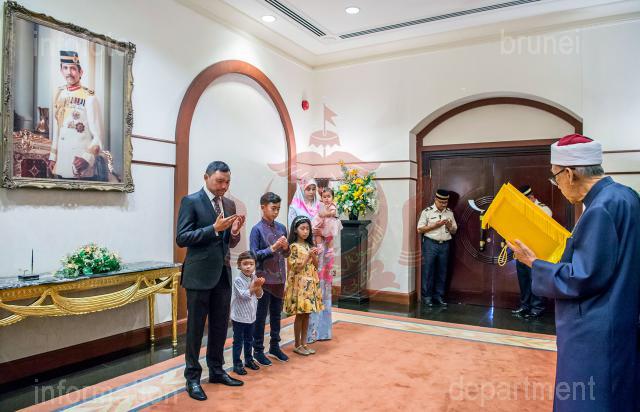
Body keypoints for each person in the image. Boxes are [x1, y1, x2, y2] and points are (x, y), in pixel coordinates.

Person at [508, 134, 640, 411]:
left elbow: (582, 278)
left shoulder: (600, 209)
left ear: (569, 173)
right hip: (623, 315)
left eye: (555, 177)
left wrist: (534, 262)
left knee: (587, 397)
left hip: (595, 328)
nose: (557, 185)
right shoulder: (626, 196)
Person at [176, 161, 246, 401]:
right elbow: (182, 237)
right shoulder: (191, 201)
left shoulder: (229, 204)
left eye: (227, 182)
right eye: (219, 181)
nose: (224, 186)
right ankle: (192, 378)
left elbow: (228, 243)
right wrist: (213, 229)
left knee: (219, 326)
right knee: (195, 329)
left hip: (222, 274)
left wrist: (233, 233)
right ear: (206, 177)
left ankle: (216, 370)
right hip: (198, 275)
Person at [49, 51, 104, 180]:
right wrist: (53, 157)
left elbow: (98, 136)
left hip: (80, 164)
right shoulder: (59, 94)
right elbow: (57, 129)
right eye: (65, 68)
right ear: (61, 71)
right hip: (62, 162)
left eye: (73, 68)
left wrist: (87, 158)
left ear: (81, 72)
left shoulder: (89, 97)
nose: (69, 72)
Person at [250, 192, 290, 366]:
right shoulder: (256, 229)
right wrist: (272, 248)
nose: (276, 212)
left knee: (276, 314)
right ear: (263, 207)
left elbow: (286, 254)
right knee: (260, 316)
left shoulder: (282, 228)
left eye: (278, 209)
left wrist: (286, 248)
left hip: (280, 278)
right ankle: (258, 350)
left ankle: (275, 346)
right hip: (264, 280)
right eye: (273, 208)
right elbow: (253, 255)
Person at [512, 184, 552, 319]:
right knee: (523, 281)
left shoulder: (543, 209)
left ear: (532, 197)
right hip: (521, 252)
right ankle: (525, 306)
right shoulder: (520, 210)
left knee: (535, 281)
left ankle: (537, 308)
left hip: (536, 253)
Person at [284, 215, 324, 356]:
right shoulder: (293, 247)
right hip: (299, 285)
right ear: (295, 230)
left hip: (310, 283)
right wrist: (308, 256)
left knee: (307, 314)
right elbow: (296, 267)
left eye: (307, 228)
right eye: (302, 228)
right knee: (300, 315)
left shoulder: (309, 246)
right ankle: (297, 344)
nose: (305, 231)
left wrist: (313, 255)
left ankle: (304, 343)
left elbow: (316, 265)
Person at [308, 187, 341, 342]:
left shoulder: (329, 208)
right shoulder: (317, 207)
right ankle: (311, 332)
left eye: (329, 196)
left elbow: (331, 223)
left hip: (325, 252)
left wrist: (324, 216)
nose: (326, 199)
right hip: (313, 249)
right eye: (324, 196)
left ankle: (322, 331)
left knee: (324, 287)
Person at [417, 189, 457, 307]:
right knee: (428, 270)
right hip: (430, 244)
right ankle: (427, 297)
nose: (444, 205)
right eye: (441, 202)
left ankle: (438, 296)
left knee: (442, 271)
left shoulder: (449, 213)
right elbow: (419, 229)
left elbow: (454, 231)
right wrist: (435, 225)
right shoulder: (427, 212)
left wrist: (449, 226)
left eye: (446, 202)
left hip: (445, 245)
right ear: (435, 200)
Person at [230, 251, 265, 376]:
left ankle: (249, 360)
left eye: (251, 264)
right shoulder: (238, 280)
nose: (248, 267)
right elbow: (244, 295)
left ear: (255, 265)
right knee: (238, 342)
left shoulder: (254, 278)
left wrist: (259, 286)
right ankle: (237, 364)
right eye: (245, 264)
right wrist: (255, 286)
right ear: (239, 265)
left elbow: (259, 295)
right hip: (239, 317)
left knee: (249, 340)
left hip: (251, 316)